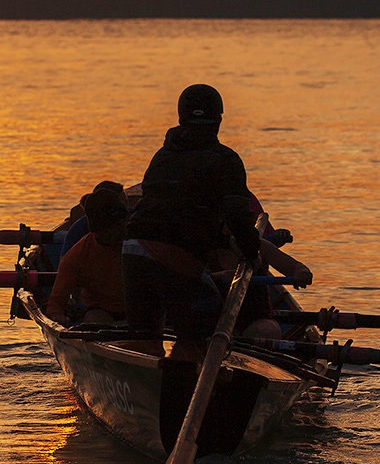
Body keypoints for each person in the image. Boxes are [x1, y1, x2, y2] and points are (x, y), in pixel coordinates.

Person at [121, 84, 262, 360]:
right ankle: (183, 387)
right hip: (175, 256)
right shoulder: (227, 160)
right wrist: (251, 252)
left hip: (131, 252)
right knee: (199, 337)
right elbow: (236, 214)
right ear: (219, 120)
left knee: (144, 340)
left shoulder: (161, 156)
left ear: (180, 119)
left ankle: (145, 391)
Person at [44, 181, 129, 325]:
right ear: (97, 229)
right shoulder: (76, 256)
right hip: (103, 314)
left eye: (122, 225)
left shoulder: (141, 241)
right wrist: (58, 316)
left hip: (143, 310)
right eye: (112, 228)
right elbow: (55, 306)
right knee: (94, 319)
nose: (120, 232)